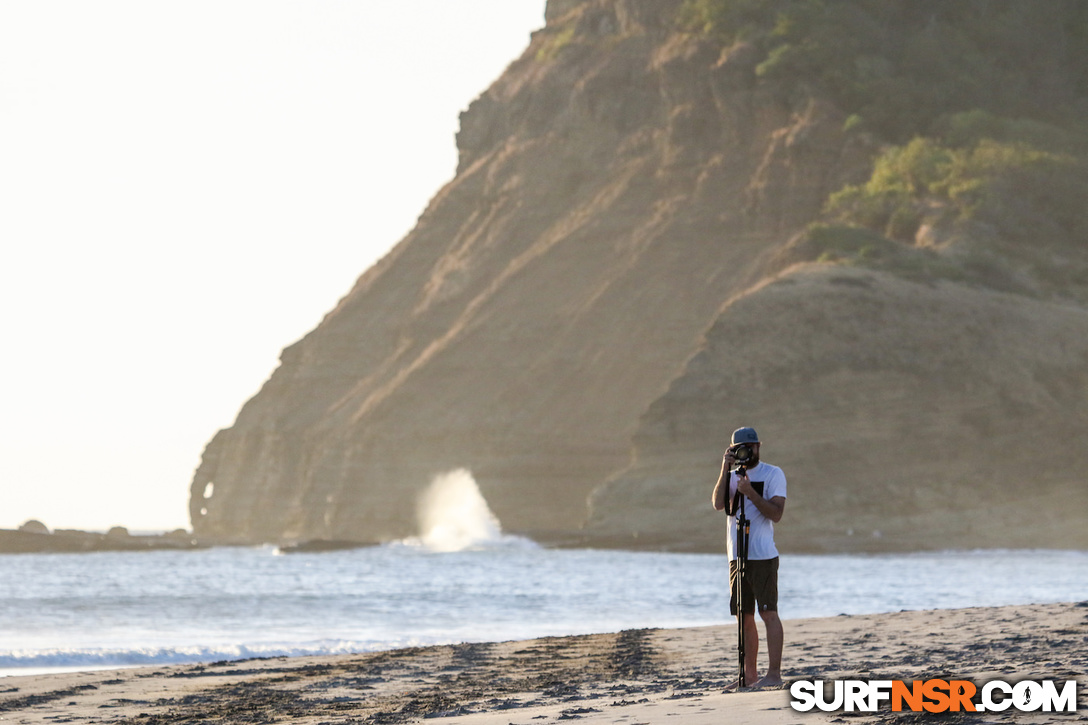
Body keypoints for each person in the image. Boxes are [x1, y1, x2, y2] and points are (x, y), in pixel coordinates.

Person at [712, 426, 787, 689]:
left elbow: (776, 513)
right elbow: (718, 504)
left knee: (768, 613)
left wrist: (751, 493)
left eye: (750, 447)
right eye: (739, 449)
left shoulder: (772, 473)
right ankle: (750, 675)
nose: (746, 452)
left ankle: (774, 674)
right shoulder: (731, 475)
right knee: (743, 617)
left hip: (763, 556)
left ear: (758, 447)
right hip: (736, 556)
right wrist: (725, 469)